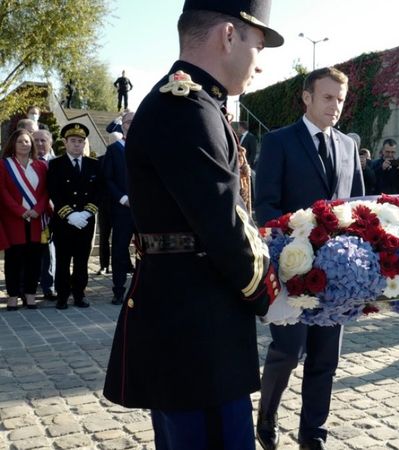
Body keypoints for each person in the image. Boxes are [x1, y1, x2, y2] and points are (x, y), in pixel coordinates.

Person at [103, 2, 283, 449]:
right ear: (228, 35)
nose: (260, 64)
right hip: (196, 331)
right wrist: (271, 290)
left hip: (193, 319)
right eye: (258, 46)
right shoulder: (186, 107)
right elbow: (223, 222)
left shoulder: (194, 103)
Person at [254, 66, 364, 450]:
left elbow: (358, 207)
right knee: (288, 352)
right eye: (328, 97)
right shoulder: (278, 142)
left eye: (340, 99)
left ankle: (313, 434)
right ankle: (267, 414)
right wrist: (291, 246)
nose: (335, 106)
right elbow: (266, 205)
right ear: (307, 97)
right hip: (293, 270)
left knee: (325, 359)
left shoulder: (348, 146)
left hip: (337, 275)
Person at [47, 123, 101, 309]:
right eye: (73, 141)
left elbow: (99, 191)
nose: (77, 144)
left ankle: (79, 294)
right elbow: (54, 192)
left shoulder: (94, 164)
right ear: (65, 143)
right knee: (63, 260)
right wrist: (69, 214)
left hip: (85, 221)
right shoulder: (55, 165)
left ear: (84, 143)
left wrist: (87, 213)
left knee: (81, 260)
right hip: (64, 222)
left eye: (80, 141)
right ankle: (62, 295)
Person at [0, 129, 49, 310]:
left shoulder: (41, 166)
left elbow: (46, 191)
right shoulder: (4, 165)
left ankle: (30, 294)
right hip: (13, 219)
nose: (24, 144)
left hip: (36, 219)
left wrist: (38, 209)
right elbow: (2, 192)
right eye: (20, 141)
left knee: (34, 259)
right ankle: (13, 296)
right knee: (13, 259)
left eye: (27, 141)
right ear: (13, 143)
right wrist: (20, 211)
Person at [102, 111, 136, 305]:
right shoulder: (114, 149)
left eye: (135, 122)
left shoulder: (147, 148)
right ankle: (119, 290)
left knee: (148, 250)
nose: (131, 125)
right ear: (122, 125)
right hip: (123, 209)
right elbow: (107, 178)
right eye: (128, 122)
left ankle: (143, 287)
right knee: (120, 250)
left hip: (144, 210)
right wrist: (123, 198)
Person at [32, 130, 57, 300]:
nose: (39, 144)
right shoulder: (26, 163)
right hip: (32, 213)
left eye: (43, 140)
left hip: (53, 215)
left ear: (50, 143)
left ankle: (49, 286)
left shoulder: (58, 163)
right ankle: (27, 287)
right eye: (36, 140)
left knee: (50, 250)